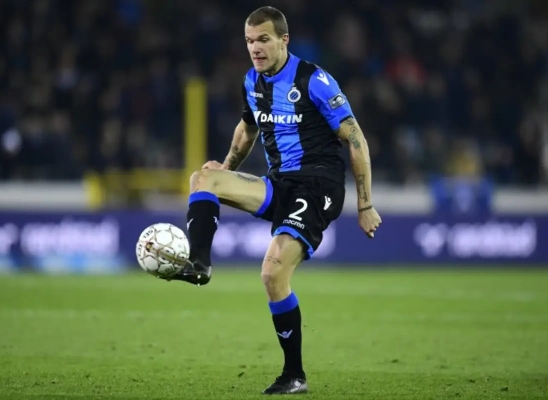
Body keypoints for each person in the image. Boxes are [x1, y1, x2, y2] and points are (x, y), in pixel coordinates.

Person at [155, 6, 382, 395]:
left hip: (319, 187)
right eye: (249, 41)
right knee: (203, 178)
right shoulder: (252, 81)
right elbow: (247, 131)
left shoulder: (313, 80)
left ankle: (294, 375)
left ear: (283, 41)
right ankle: (200, 264)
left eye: (263, 39)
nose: (255, 48)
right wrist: (225, 169)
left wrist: (365, 204)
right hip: (280, 184)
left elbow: (356, 138)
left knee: (272, 273)